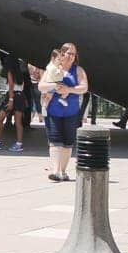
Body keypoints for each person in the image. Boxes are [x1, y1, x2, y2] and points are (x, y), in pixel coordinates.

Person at [42, 43, 89, 183]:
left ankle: (63, 171)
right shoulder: (53, 68)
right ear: (61, 54)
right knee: (55, 141)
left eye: (73, 54)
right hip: (54, 111)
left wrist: (69, 89)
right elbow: (41, 85)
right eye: (68, 53)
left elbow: (84, 88)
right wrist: (56, 86)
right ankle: (55, 171)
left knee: (68, 142)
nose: (70, 56)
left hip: (71, 112)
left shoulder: (79, 70)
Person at [0, 51, 27, 152]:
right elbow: (22, 87)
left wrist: (10, 100)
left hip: (11, 96)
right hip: (20, 96)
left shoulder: (10, 72)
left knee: (0, 119)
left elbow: (11, 87)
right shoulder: (20, 73)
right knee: (18, 122)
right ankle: (19, 143)